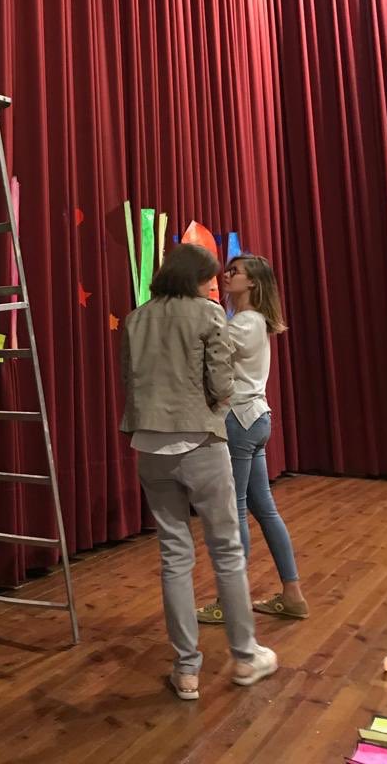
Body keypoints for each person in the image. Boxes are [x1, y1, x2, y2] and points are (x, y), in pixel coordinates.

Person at [121, 243, 278, 700]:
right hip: (201, 441)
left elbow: (129, 380)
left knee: (174, 555)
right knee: (226, 549)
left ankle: (186, 670)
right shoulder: (209, 315)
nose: (216, 285)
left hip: (148, 446)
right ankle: (245, 657)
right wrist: (216, 406)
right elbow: (221, 382)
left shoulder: (136, 318)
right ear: (196, 279)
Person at [197, 255, 309, 624]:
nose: (226, 276)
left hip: (240, 422)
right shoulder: (251, 321)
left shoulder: (244, 323)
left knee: (236, 512)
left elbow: (204, 345)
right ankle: (292, 595)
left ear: (254, 283)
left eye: (235, 272)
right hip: (255, 420)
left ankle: (231, 603)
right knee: (263, 509)